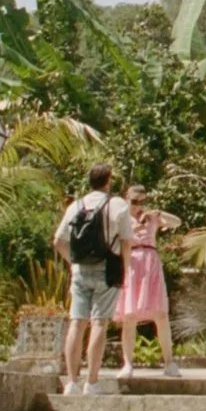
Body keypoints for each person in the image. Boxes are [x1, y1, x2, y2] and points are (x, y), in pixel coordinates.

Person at [53, 164, 133, 396]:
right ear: (108, 181)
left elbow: (58, 241)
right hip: (108, 269)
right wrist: (125, 270)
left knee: (77, 323)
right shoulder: (117, 204)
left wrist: (73, 263)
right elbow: (126, 241)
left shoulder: (76, 206)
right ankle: (92, 381)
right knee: (99, 323)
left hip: (80, 270)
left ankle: (71, 383)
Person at [115, 184, 182, 380]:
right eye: (134, 202)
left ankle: (169, 362)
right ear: (127, 199)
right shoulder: (122, 218)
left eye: (142, 202)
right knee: (129, 316)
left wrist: (157, 213)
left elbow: (176, 222)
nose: (138, 206)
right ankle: (127, 363)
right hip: (132, 262)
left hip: (150, 261)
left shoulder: (151, 217)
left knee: (161, 314)